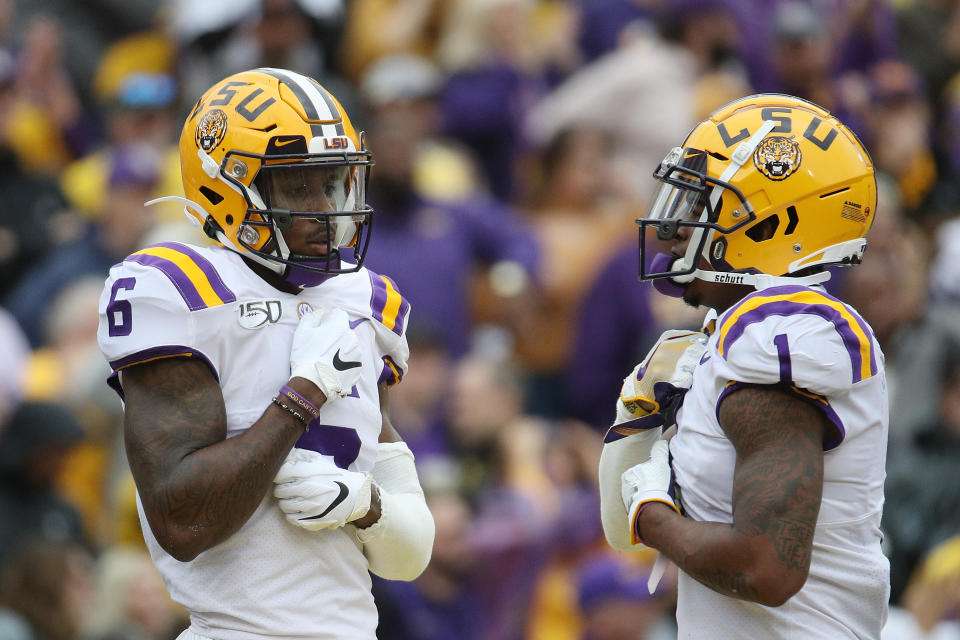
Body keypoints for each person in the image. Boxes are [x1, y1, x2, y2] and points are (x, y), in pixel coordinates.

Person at [96, 68, 434, 639]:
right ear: (225, 187)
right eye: (297, 188)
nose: (326, 211)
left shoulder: (366, 302)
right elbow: (184, 523)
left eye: (333, 184)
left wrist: (366, 505)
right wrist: (300, 397)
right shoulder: (181, 291)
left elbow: (410, 557)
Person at [599, 94, 889, 638]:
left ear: (771, 222)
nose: (674, 229)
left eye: (701, 205)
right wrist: (634, 422)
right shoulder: (725, 337)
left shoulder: (779, 333)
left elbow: (765, 569)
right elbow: (618, 529)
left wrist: (654, 516)